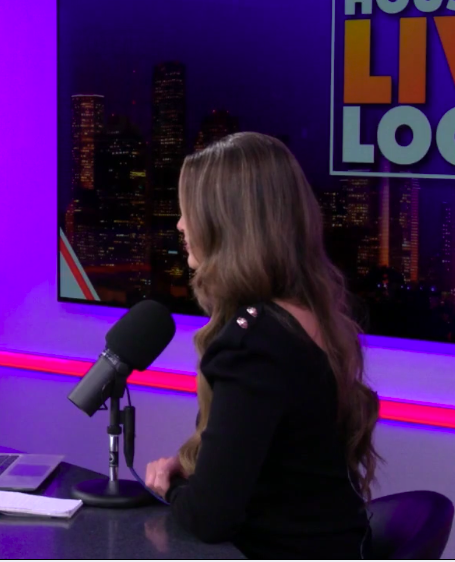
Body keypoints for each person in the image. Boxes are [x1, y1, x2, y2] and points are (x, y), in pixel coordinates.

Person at [143, 133, 380, 559]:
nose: (180, 225)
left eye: (189, 211)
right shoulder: (306, 317)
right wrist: (201, 472)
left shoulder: (252, 345)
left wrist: (172, 486)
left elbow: (211, 519)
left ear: (226, 221)